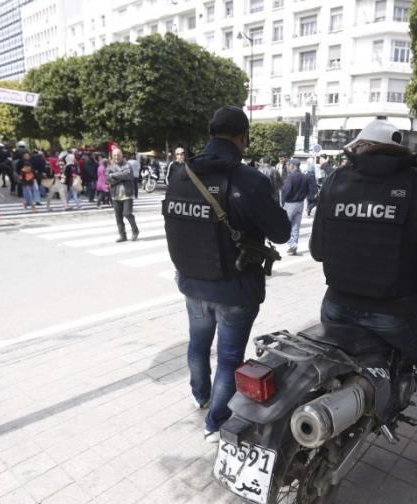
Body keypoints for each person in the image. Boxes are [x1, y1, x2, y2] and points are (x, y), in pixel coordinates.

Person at [310, 119, 417, 468]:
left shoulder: (335, 179)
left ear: (360, 146)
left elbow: (318, 249)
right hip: (395, 311)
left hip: (336, 304)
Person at [162, 106, 290, 442]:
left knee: (198, 343)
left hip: (191, 281)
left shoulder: (180, 173)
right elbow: (281, 232)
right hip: (234, 287)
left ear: (211, 132)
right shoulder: (249, 180)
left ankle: (199, 395)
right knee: (229, 357)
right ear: (243, 137)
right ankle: (216, 423)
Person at [106, 149, 139, 242]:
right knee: (118, 216)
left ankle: (135, 231)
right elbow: (108, 180)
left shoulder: (128, 165)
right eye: (115, 155)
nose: (117, 157)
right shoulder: (109, 167)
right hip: (115, 195)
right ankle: (122, 235)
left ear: (121, 155)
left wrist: (113, 175)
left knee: (127, 213)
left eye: (118, 155)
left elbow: (128, 176)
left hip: (127, 194)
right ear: (112, 156)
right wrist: (120, 176)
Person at [281, 159, 308, 255]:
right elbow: (307, 190)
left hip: (290, 203)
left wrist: (282, 202)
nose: (288, 167)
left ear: (292, 166)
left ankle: (293, 245)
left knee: (282, 225)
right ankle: (293, 247)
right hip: (300, 203)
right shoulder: (304, 176)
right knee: (296, 226)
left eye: (289, 165)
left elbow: (285, 191)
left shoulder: (291, 177)